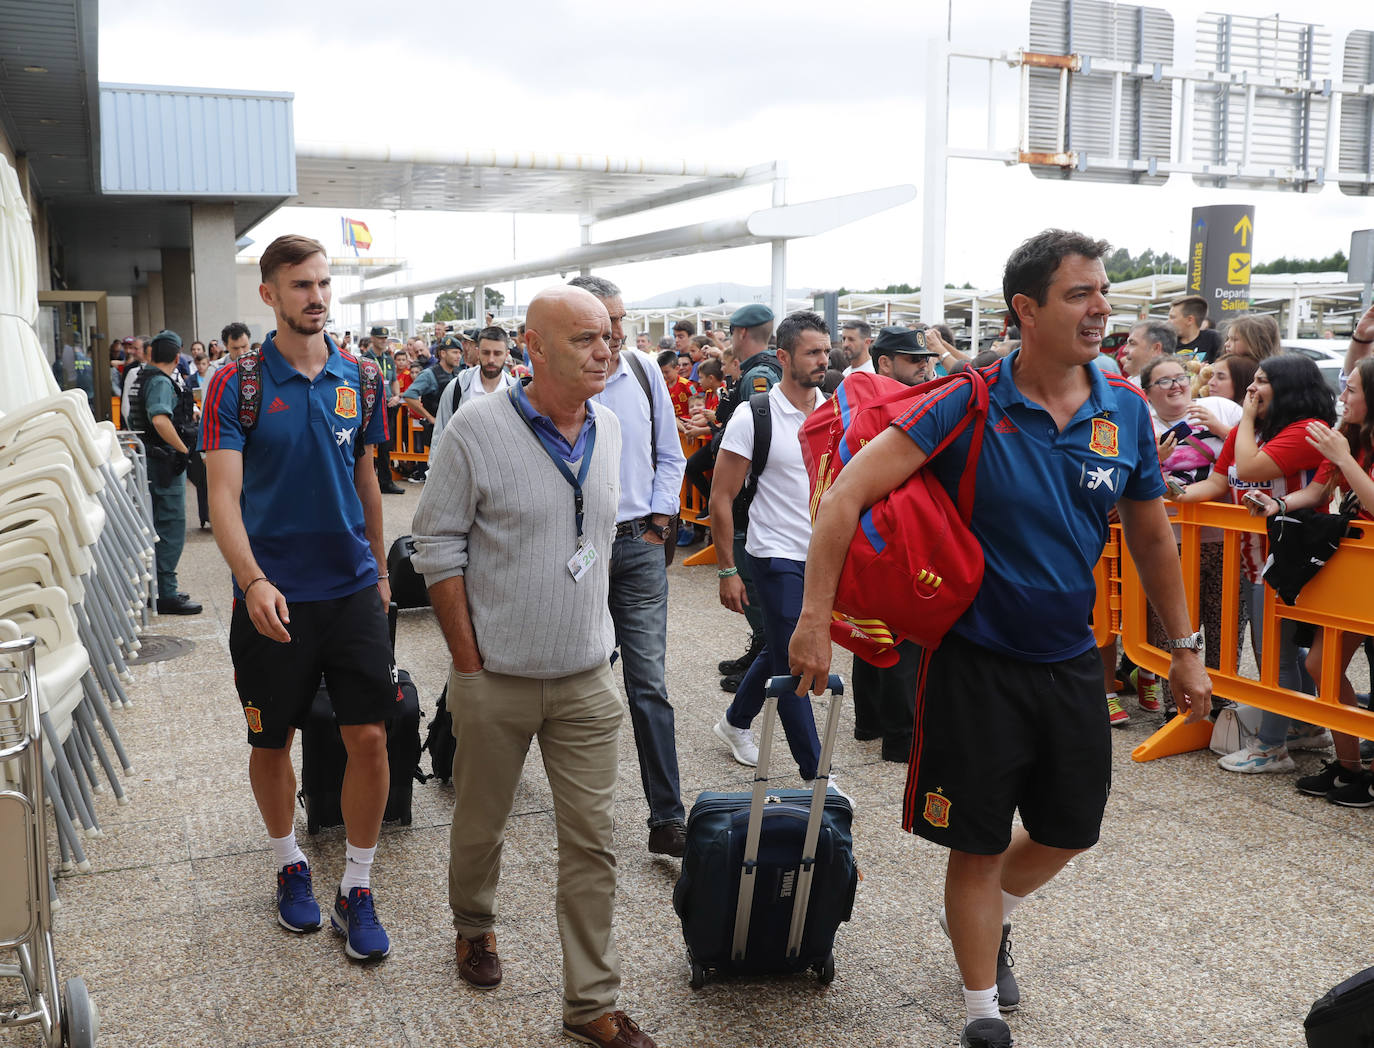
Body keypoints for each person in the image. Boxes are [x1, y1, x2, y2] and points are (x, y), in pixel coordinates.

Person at [789, 230, 1212, 1048]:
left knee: (1070, 829)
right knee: (976, 845)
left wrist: (1185, 648)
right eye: (1080, 294)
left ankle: (991, 918)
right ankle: (981, 1011)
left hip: (1069, 662)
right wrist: (813, 623)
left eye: (1103, 292)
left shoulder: (1124, 409)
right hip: (972, 664)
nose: (1101, 309)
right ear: (1026, 309)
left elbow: (1153, 536)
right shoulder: (968, 400)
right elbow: (844, 497)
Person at [410, 285, 657, 1048]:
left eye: (608, 336)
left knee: (593, 843)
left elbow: (597, 540)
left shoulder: (609, 426)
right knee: (480, 825)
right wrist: (467, 665)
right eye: (584, 339)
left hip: (586, 676)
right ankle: (473, 926)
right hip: (497, 677)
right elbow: (436, 546)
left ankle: (591, 1003)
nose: (604, 351)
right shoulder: (476, 429)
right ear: (535, 348)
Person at [201, 234, 395, 963]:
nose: (316, 296)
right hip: (272, 595)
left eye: (322, 283)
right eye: (300, 285)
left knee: (369, 737)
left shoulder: (363, 376)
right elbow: (223, 497)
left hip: (351, 587)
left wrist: (381, 573)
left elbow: (367, 479)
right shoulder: (236, 383)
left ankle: (357, 885)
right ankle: (289, 863)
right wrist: (252, 580)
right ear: (269, 295)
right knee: (272, 739)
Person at [1171, 352, 1334, 774]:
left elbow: (1249, 466)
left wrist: (1243, 417)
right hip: (1252, 562)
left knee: (1277, 658)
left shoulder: (1304, 430)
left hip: (1286, 562)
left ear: (1288, 388)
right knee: (1283, 654)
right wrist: (1173, 493)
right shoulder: (1248, 432)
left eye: (1261, 381)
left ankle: (1271, 748)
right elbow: (1216, 482)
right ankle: (1305, 725)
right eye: (1253, 380)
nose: (1251, 389)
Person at [574, 274, 690, 858]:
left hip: (639, 545)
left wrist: (658, 524)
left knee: (649, 685)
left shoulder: (643, 372)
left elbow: (670, 454)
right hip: (577, 551)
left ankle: (667, 818)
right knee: (572, 681)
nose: (617, 331)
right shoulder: (553, 380)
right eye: (606, 320)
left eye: (621, 319)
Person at [708, 311, 832, 789]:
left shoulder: (836, 411)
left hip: (820, 556)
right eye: (812, 352)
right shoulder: (754, 414)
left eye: (826, 351)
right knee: (794, 662)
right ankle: (815, 775)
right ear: (783, 356)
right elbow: (721, 496)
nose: (823, 360)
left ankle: (734, 721)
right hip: (773, 552)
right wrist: (726, 569)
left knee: (779, 647)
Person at [1248, 352, 1374, 804]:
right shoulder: (1349, 436)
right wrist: (1278, 505)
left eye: (1351, 390)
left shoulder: (1346, 443)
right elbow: (1319, 490)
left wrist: (1344, 457)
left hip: (1364, 569)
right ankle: (1349, 767)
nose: (1342, 397)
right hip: (1357, 572)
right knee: (1320, 664)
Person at [852, 326, 941, 760]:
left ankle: (870, 722)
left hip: (870, 534)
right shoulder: (888, 406)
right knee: (903, 636)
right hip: (893, 534)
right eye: (913, 359)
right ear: (885, 363)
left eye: (925, 359)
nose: (924, 366)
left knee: (873, 628)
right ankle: (901, 738)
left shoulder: (863, 400)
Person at [130, 329, 202, 615]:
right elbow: (160, 419)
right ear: (176, 356)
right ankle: (166, 593)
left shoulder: (145, 377)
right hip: (163, 463)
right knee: (170, 526)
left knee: (160, 526)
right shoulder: (160, 381)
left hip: (153, 461)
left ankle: (161, 589)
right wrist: (183, 450)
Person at [432, 325, 518, 444]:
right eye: (486, 353)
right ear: (478, 352)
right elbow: (440, 434)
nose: (491, 359)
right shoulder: (458, 387)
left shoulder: (516, 393)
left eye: (497, 353)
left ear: (506, 354)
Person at [402, 333, 463, 481]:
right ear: (443, 353)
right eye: (454, 352)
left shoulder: (459, 373)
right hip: (439, 432)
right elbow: (409, 395)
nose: (458, 356)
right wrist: (430, 418)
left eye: (459, 353)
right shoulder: (429, 374)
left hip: (456, 429)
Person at [362, 328, 404, 494]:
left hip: (388, 406)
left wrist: (397, 396)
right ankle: (364, 482)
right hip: (371, 406)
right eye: (380, 338)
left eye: (385, 338)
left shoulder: (388, 359)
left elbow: (393, 380)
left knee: (386, 445)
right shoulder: (365, 359)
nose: (383, 340)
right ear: (372, 338)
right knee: (366, 445)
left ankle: (385, 482)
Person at [1169, 295, 1223, 363]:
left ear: (1190, 320)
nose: (1168, 321)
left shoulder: (1212, 339)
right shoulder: (1169, 342)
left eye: (1172, 317)